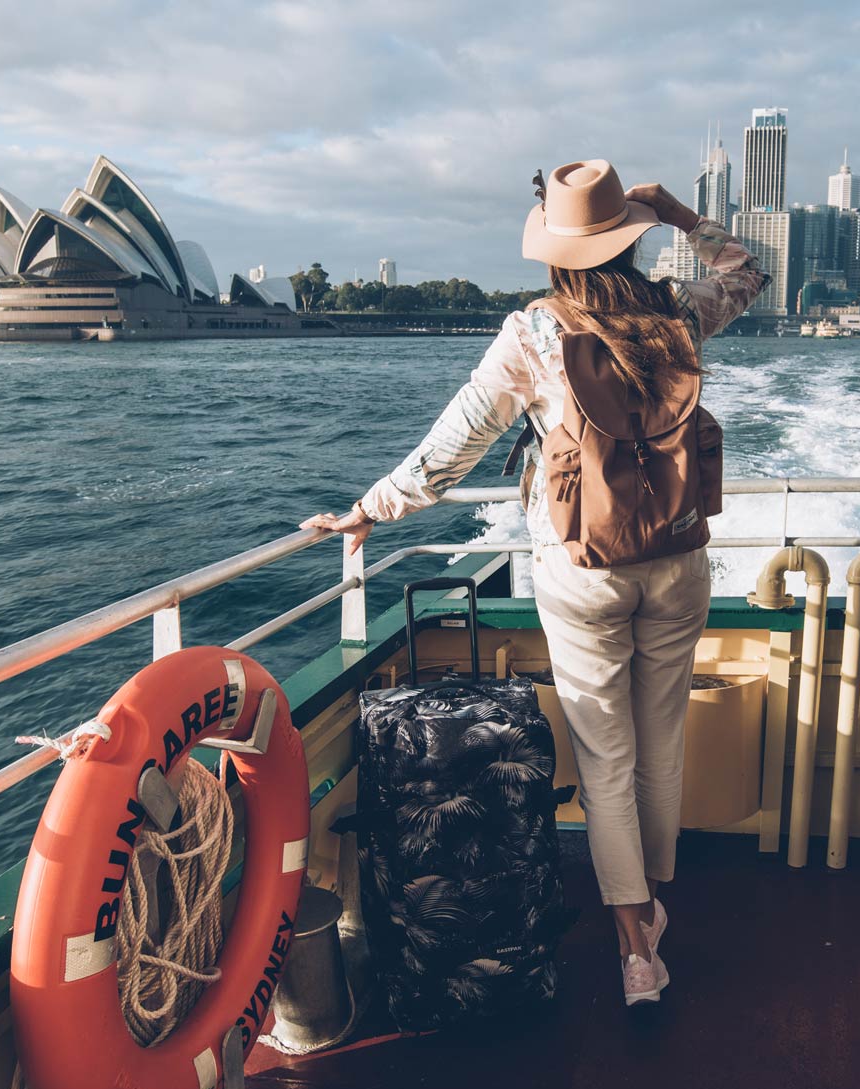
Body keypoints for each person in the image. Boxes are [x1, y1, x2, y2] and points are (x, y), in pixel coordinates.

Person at [304, 159, 766, 1005]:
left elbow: (451, 452)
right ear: (626, 236)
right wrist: (677, 214)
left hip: (583, 571)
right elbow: (751, 270)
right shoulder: (677, 316)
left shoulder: (534, 333)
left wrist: (369, 509)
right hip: (677, 561)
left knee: (607, 759)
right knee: (660, 747)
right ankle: (652, 908)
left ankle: (634, 948)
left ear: (554, 249)